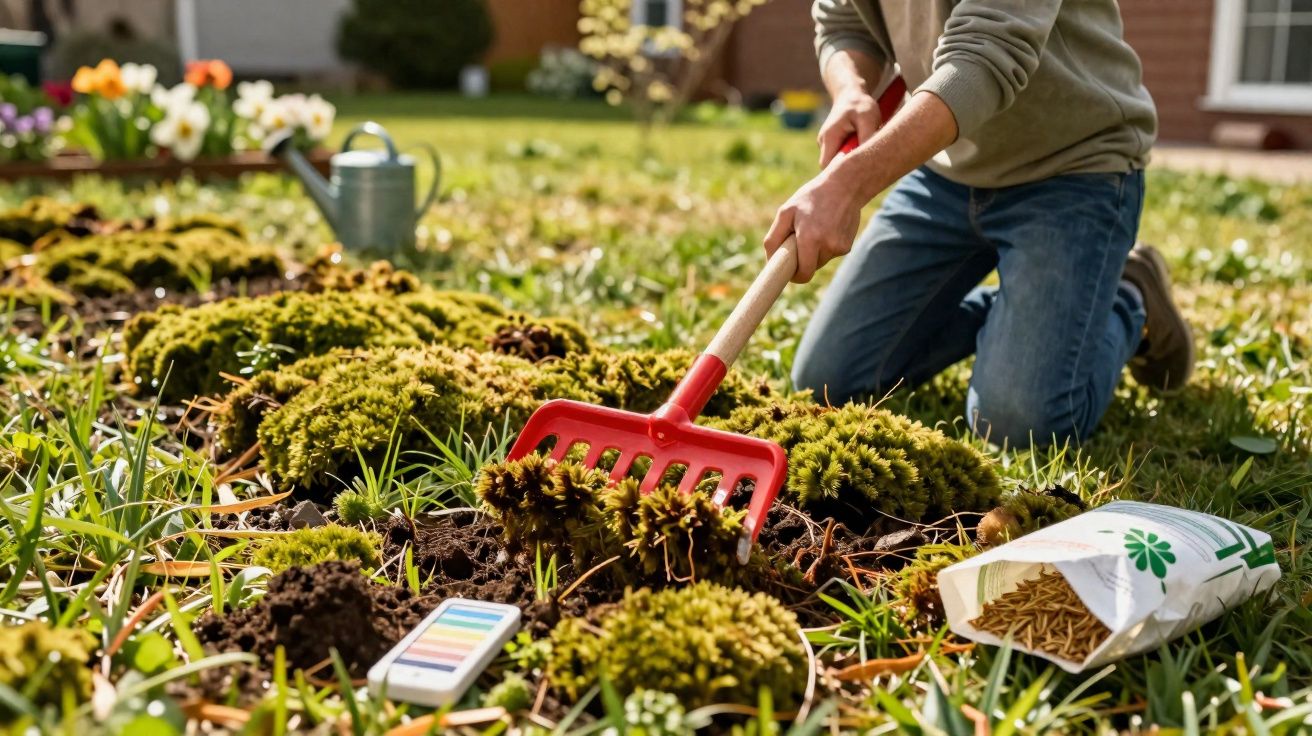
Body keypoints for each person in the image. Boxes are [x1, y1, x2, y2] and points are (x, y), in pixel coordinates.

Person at [765, 0, 1194, 447]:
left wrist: (848, 186)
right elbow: (844, 21)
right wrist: (851, 88)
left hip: (1072, 170)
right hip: (946, 172)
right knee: (829, 380)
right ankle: (1033, 316)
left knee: (1018, 424)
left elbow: (986, 54)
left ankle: (1129, 298)